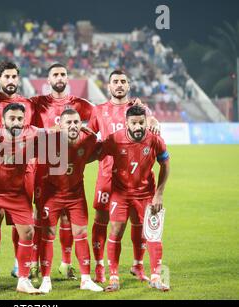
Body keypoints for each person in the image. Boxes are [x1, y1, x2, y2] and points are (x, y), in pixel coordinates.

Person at [88, 69, 160, 283]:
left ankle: (138, 265)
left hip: (137, 178)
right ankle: (100, 266)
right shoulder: (99, 111)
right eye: (115, 82)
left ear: (128, 85)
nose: (119, 85)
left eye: (123, 81)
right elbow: (90, 139)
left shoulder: (140, 110)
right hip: (107, 175)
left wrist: (154, 120)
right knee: (101, 219)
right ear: (108, 86)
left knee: (139, 221)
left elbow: (154, 131)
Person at [31, 63, 95, 281]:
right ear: (47, 80)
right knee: (39, 221)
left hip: (71, 170)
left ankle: (66, 264)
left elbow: (103, 116)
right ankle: (32, 263)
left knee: (70, 220)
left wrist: (147, 113)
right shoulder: (38, 103)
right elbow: (16, 111)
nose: (59, 77)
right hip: (43, 171)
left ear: (67, 78)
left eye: (63, 74)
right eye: (55, 74)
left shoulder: (80, 105)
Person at [99, 105, 170, 292]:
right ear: (126, 123)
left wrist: (159, 193)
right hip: (120, 194)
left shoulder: (155, 140)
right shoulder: (115, 139)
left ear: (147, 121)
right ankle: (113, 277)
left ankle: (155, 276)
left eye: (141, 122)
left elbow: (165, 164)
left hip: (146, 194)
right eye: (134, 123)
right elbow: (95, 153)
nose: (138, 127)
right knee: (116, 230)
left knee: (152, 232)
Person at [0, 103, 41, 296]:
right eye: (12, 118)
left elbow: (52, 132)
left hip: (16, 193)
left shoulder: (32, 132)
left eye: (20, 119)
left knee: (27, 233)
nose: (16, 122)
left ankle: (23, 280)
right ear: (3, 120)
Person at [0, 61, 36, 285]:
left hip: (24, 170)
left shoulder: (29, 104)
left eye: (14, 77)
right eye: (7, 77)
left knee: (19, 220)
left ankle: (17, 265)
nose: (11, 81)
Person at [38, 109, 103, 294]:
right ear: (61, 125)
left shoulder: (88, 139)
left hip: (76, 195)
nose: (74, 125)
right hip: (52, 193)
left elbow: (96, 153)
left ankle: (86, 279)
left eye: (77, 122)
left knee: (81, 233)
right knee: (48, 235)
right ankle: (45, 280)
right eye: (69, 123)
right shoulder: (50, 139)